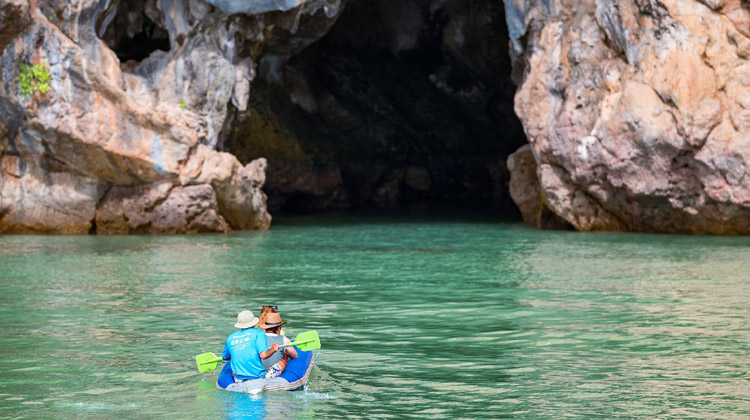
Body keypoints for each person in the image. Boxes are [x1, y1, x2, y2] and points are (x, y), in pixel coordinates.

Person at [222, 310, 280, 383]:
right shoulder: (259, 333)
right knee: (282, 362)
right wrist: (273, 349)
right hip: (259, 378)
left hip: (238, 379)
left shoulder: (230, 337)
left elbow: (225, 357)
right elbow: (263, 355)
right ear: (253, 323)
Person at [257, 312, 297, 378]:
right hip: (272, 373)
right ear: (278, 329)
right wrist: (285, 353)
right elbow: (295, 355)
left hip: (257, 371)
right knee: (283, 360)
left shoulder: (257, 338)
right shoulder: (284, 339)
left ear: (264, 328)